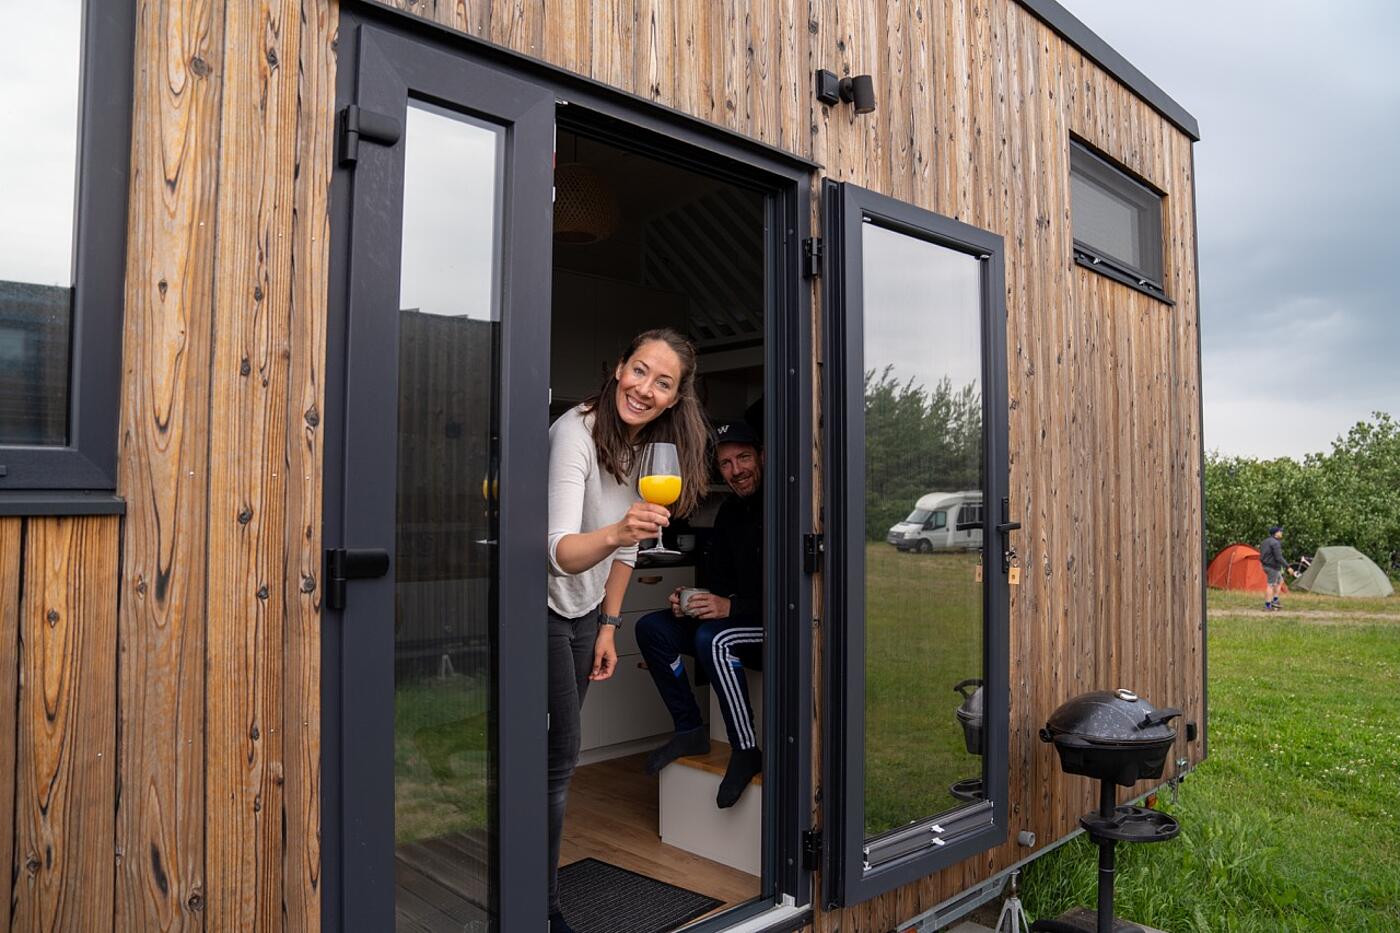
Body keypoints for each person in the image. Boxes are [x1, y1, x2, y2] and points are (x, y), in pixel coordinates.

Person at [545, 329, 710, 932]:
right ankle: (544, 906)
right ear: (618, 368)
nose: (644, 388)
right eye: (639, 371)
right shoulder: (575, 433)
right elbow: (560, 552)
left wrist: (610, 624)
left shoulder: (646, 449)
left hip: (586, 613)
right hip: (542, 606)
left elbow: (629, 552)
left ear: (674, 398)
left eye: (662, 383)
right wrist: (620, 530)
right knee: (559, 757)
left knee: (554, 755)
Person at [636, 419, 765, 809]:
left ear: (761, 456)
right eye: (726, 463)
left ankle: (746, 749)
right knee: (653, 627)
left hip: (778, 626)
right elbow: (720, 583)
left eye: (743, 457)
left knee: (715, 638)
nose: (736, 470)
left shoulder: (787, 509)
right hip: (737, 618)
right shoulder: (728, 513)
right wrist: (690, 599)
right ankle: (690, 728)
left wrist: (731, 607)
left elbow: (797, 594)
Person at [1259, 525, 1287, 610]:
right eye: (1280, 531)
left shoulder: (1265, 541)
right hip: (1272, 567)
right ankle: (1267, 606)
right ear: (1276, 533)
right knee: (1270, 585)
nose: (1282, 533)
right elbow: (1278, 557)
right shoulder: (1275, 543)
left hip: (1265, 565)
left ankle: (1275, 601)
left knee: (1280, 581)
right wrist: (1287, 566)